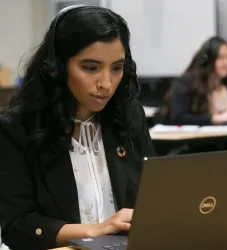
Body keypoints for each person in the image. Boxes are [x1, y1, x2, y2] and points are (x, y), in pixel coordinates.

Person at [0, 5, 155, 250]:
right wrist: (95, 231)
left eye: (116, 68)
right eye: (90, 68)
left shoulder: (129, 117)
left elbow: (152, 198)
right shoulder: (17, 128)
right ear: (57, 68)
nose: (106, 83)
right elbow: (17, 225)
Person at [165, 36, 227, 125]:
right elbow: (179, 117)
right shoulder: (187, 83)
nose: (226, 62)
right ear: (208, 60)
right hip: (202, 137)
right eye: (221, 58)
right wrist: (215, 118)